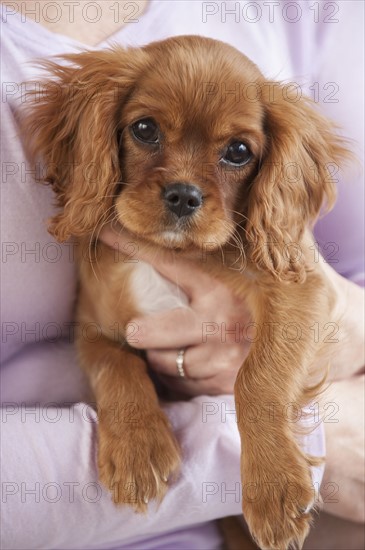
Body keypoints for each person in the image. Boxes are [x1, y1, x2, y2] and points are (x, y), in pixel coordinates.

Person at [1, 1, 363, 549]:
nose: (184, 188)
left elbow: (335, 282)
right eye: (147, 131)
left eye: (236, 152)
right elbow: (99, 337)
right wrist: (268, 446)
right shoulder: (104, 246)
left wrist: (335, 347)